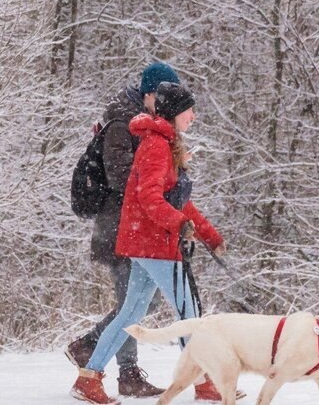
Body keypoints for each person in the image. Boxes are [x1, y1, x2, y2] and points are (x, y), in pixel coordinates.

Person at [70, 82, 238, 404]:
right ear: (175, 113)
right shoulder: (157, 147)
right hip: (154, 243)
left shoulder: (164, 144)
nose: (194, 116)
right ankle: (205, 382)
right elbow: (149, 199)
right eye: (190, 110)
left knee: (130, 313)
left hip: (146, 241)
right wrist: (179, 224)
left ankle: (88, 378)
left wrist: (209, 235)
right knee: (188, 312)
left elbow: (177, 201)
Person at [65, 63, 181, 397]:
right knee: (132, 303)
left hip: (133, 226)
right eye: (163, 97)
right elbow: (119, 176)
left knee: (142, 303)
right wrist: (157, 178)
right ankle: (121, 370)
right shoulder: (121, 123)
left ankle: (90, 347)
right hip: (118, 227)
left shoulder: (144, 123)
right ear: (148, 94)